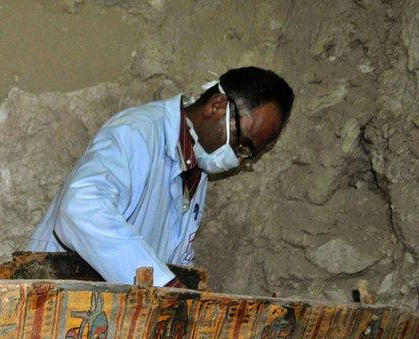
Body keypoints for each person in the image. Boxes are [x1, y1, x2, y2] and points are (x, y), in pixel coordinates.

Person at [28, 67, 294, 287]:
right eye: (242, 145)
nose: (238, 158)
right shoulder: (137, 132)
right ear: (216, 107)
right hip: (57, 292)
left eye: (249, 155)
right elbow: (81, 207)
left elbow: (173, 253)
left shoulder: (196, 165)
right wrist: (163, 285)